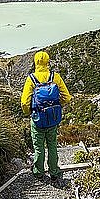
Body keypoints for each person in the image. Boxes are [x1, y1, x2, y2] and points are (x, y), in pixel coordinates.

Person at [21, 51, 72, 181]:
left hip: (37, 118)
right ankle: (54, 171)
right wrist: (56, 105)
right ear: (48, 62)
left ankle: (39, 172)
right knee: (52, 146)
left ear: (35, 62)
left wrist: (29, 113)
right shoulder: (55, 77)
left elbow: (24, 102)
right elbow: (67, 97)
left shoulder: (31, 79)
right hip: (53, 118)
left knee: (39, 147)